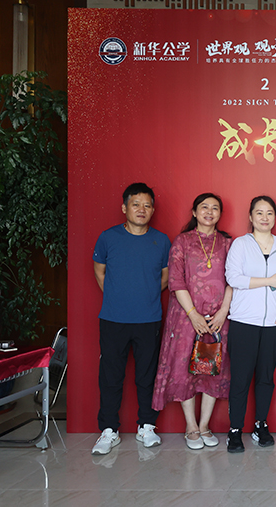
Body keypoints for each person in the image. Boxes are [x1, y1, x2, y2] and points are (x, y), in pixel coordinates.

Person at [91, 183, 171, 455]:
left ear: (153, 210)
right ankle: (109, 430)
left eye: (147, 205)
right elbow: (100, 272)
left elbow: (165, 277)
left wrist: (144, 295)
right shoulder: (108, 237)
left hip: (149, 319)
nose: (141, 209)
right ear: (124, 208)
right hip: (113, 318)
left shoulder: (162, 240)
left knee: (147, 375)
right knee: (110, 375)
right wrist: (118, 296)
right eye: (136, 204)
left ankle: (146, 426)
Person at [151, 193, 233, 450]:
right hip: (186, 318)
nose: (209, 212)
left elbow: (234, 280)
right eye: (204, 207)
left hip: (218, 318)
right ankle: (191, 426)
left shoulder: (227, 243)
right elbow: (176, 281)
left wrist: (223, 312)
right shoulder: (182, 241)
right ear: (195, 212)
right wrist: (193, 315)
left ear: (220, 214)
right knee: (186, 367)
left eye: (215, 208)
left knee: (212, 366)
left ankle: (205, 424)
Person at [224, 196, 276, 453]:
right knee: (240, 378)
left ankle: (260, 425)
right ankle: (235, 430)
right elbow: (233, 278)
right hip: (244, 321)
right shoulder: (241, 244)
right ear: (251, 217)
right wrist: (268, 281)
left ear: (275, 217)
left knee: (266, 378)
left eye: (269, 213)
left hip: (275, 323)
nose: (265, 217)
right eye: (259, 213)